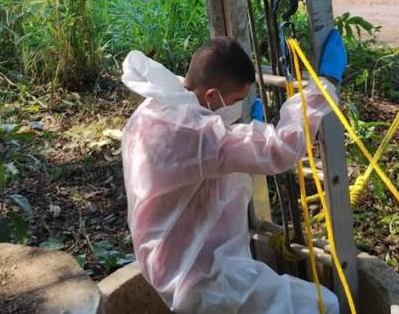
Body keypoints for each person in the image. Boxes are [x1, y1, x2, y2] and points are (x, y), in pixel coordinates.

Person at [120, 33, 348, 314]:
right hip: (207, 280)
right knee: (325, 306)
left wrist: (250, 128)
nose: (240, 105)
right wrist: (324, 85)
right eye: (238, 99)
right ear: (212, 96)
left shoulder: (154, 110)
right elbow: (281, 149)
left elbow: (211, 146)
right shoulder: (198, 135)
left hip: (170, 262)